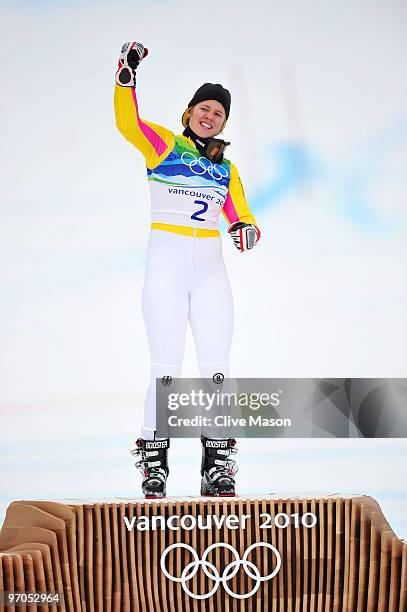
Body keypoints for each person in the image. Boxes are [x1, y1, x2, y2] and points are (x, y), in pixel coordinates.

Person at [114, 42, 260, 498]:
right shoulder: (164, 146)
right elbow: (127, 122)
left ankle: (217, 467)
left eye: (218, 112)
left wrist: (247, 230)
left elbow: (244, 216)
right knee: (166, 370)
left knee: (218, 369)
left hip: (211, 274)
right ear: (189, 112)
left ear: (223, 122)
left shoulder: (227, 169)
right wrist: (126, 75)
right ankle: (154, 464)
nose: (210, 116)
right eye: (204, 108)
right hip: (166, 268)